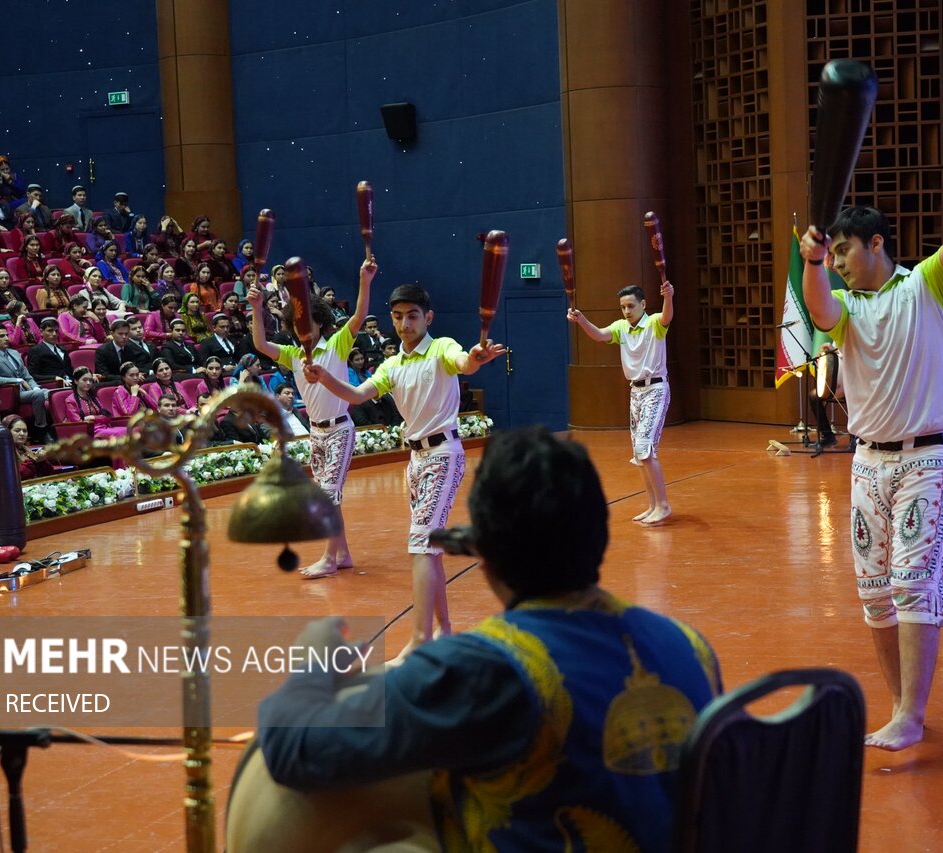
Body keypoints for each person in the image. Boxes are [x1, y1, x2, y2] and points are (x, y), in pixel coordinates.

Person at [256, 426, 721, 853]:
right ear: (598, 532)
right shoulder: (691, 646)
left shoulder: (484, 670)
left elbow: (296, 750)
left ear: (484, 553)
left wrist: (314, 664)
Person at [798, 141, 943, 751]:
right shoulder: (844, 309)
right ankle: (900, 705)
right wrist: (810, 262)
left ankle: (911, 715)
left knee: (915, 577)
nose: (836, 261)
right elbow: (817, 305)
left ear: (876, 244)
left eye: (842, 250)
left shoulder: (928, 286)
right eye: (831, 251)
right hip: (868, 461)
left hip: (929, 458)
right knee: (874, 589)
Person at [302, 280, 505, 662]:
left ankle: (419, 639)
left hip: (443, 455)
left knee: (419, 545)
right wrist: (324, 378)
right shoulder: (392, 365)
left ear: (427, 317)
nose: (404, 323)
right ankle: (444, 630)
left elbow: (465, 362)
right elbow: (359, 395)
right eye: (397, 317)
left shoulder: (442, 348)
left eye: (412, 316)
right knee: (429, 549)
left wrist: (476, 357)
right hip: (414, 461)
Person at [247, 258, 376, 580]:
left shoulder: (336, 345)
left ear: (319, 321)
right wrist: (256, 306)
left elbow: (359, 317)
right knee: (330, 497)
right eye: (296, 323)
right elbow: (260, 344)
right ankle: (343, 554)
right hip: (314, 435)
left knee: (326, 496)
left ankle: (329, 559)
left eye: (308, 321)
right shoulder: (292, 355)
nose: (302, 327)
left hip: (339, 431)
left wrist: (364, 280)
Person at [567, 280, 676, 525]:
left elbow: (667, 315)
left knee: (645, 449)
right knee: (640, 455)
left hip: (656, 389)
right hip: (635, 392)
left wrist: (668, 296)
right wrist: (582, 320)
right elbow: (599, 335)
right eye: (623, 307)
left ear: (643, 304)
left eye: (631, 306)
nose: (626, 311)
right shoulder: (620, 327)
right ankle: (653, 506)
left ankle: (664, 505)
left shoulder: (654, 323)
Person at [0, 323, 53, 440]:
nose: (6, 338)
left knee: (52, 393)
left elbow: (27, 376)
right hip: (10, 394)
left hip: (27, 391)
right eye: (2, 336)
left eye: (7, 335)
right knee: (39, 394)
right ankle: (41, 431)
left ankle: (56, 429)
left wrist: (35, 387)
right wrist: (18, 381)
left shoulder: (14, 353)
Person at [63, 367, 125, 438]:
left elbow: (106, 417)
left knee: (131, 430)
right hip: (89, 432)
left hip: (103, 428)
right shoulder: (70, 400)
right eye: (84, 380)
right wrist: (98, 418)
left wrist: (92, 417)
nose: (88, 383)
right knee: (122, 432)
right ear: (76, 381)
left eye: (90, 380)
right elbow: (79, 424)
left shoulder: (92, 397)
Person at [3, 414, 54, 480]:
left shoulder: (26, 450)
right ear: (7, 432)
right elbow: (14, 476)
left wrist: (42, 461)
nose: (22, 434)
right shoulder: (3, 452)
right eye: (17, 430)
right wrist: (34, 461)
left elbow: (50, 472)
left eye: (24, 431)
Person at [27, 318, 74, 385]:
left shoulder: (63, 349)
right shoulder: (36, 350)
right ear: (41, 332)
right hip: (53, 385)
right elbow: (32, 375)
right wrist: (54, 378)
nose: (54, 334)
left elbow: (70, 370)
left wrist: (82, 372)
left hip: (71, 383)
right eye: (50, 331)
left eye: (56, 331)